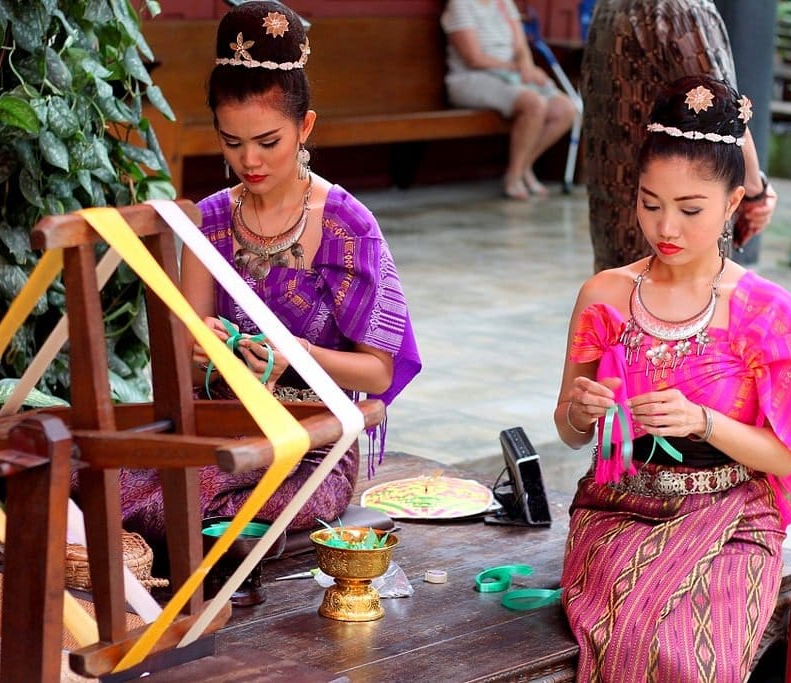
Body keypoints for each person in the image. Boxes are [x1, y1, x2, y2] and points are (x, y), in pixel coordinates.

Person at [553, 74, 791, 681]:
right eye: (650, 203)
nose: (667, 229)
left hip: (733, 516)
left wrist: (703, 421)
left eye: (690, 210)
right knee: (632, 634)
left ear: (733, 204)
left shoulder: (765, 310)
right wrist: (580, 412)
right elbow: (570, 431)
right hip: (618, 511)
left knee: (694, 655)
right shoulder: (605, 294)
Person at [117, 1, 422, 550]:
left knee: (185, 504)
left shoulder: (348, 225)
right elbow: (185, 360)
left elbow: (377, 373)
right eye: (231, 143)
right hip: (215, 429)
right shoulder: (209, 219)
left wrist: (297, 356)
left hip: (311, 440)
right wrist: (202, 350)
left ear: (305, 126)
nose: (249, 162)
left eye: (268, 142)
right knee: (90, 477)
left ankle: (223, 539)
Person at [581, 0, 777, 272]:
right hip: (667, 222)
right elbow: (722, 112)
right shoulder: (683, 9)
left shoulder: (610, 4)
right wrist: (756, 193)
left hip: (621, 213)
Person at [440, 0, 579, 200]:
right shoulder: (460, 5)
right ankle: (514, 176)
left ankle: (524, 166)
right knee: (534, 104)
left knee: (566, 109)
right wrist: (519, 70)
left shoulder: (504, 3)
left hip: (512, 77)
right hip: (472, 78)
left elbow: (522, 48)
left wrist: (528, 68)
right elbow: (473, 58)